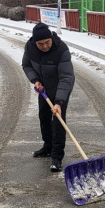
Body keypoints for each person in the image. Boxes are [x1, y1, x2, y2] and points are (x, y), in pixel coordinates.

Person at [21, 22, 75, 172]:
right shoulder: (30, 47)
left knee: (58, 119)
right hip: (44, 87)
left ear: (51, 38)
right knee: (44, 116)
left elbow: (66, 77)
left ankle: (57, 157)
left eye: (47, 42)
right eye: (40, 44)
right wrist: (36, 80)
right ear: (34, 42)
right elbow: (26, 65)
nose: (44, 46)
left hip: (60, 87)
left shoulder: (61, 49)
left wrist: (59, 102)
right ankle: (48, 146)